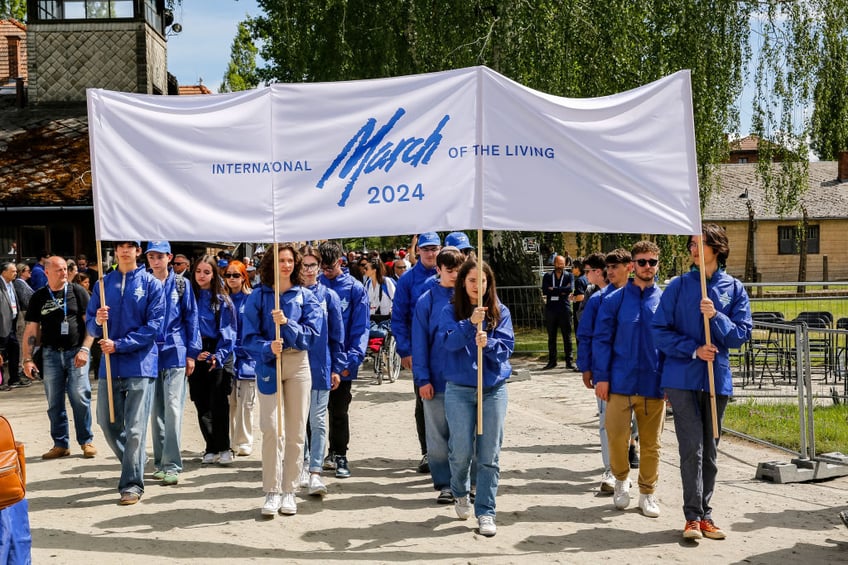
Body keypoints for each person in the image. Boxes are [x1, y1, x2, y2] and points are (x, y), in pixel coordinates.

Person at [652, 225, 752, 540]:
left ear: (717, 248)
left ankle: (706, 514)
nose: (694, 248)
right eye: (691, 243)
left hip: (715, 379)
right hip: (682, 378)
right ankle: (692, 517)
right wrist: (693, 349)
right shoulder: (678, 286)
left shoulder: (733, 289)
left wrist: (716, 317)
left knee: (710, 450)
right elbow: (659, 331)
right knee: (691, 447)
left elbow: (741, 335)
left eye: (700, 242)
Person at [243, 244, 321, 516]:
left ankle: (290, 491)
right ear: (271, 264)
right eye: (280, 261)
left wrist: (287, 323)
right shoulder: (258, 296)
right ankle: (271, 491)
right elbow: (247, 338)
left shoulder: (306, 296)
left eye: (290, 260)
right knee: (271, 428)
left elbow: (312, 335)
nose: (286, 265)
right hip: (269, 364)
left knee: (296, 429)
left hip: (298, 363)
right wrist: (267, 347)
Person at [86, 240, 165, 505]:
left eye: (130, 245)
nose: (125, 249)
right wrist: (98, 321)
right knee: (107, 424)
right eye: (120, 245)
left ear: (138, 250)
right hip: (110, 366)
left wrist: (119, 344)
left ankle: (132, 484)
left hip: (140, 365)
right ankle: (135, 462)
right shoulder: (102, 284)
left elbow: (154, 326)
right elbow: (90, 323)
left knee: (135, 430)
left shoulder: (152, 284)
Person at [440, 259, 514, 537]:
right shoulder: (450, 310)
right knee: (460, 452)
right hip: (459, 389)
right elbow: (447, 342)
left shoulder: (500, 311)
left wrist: (490, 342)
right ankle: (460, 492)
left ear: (488, 283)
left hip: (492, 389)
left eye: (481, 281)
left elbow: (506, 349)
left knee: (489, 455)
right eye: (471, 280)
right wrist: (469, 325)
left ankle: (486, 510)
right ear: (463, 283)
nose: (477, 286)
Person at [592, 241, 664, 518]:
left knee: (651, 444)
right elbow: (602, 341)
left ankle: (648, 492)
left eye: (652, 262)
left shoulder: (665, 300)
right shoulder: (614, 300)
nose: (647, 267)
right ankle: (621, 479)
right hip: (619, 383)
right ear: (632, 265)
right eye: (642, 262)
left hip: (653, 383)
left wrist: (668, 380)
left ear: (657, 265)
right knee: (617, 437)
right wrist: (602, 377)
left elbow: (669, 343)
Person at [21, 256, 97, 459]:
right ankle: (60, 444)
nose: (64, 273)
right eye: (59, 270)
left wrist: (85, 350)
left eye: (65, 269)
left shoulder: (77, 291)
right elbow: (31, 329)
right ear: (46, 272)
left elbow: (91, 325)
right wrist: (27, 359)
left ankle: (86, 441)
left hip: (76, 353)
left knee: (80, 397)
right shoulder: (38, 297)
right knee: (54, 402)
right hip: (50, 354)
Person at [412, 246, 465, 504]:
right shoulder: (427, 300)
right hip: (436, 377)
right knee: (437, 436)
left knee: (465, 434)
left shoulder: (471, 297)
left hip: (465, 378)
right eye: (450, 270)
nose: (454, 275)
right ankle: (444, 483)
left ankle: (465, 482)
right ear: (439, 270)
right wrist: (422, 379)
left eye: (458, 270)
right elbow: (419, 342)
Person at [146, 241, 200, 485]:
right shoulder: (143, 284)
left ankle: (173, 464)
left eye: (160, 256)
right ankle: (159, 462)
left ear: (169, 257)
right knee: (156, 411)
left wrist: (192, 353)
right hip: (149, 354)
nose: (156, 261)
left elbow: (192, 317)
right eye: (151, 256)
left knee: (173, 409)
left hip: (176, 351)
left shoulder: (182, 283)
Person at [318, 241, 369, 479]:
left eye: (330, 266)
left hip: (342, 359)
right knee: (312, 411)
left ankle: (339, 453)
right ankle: (313, 456)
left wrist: (352, 360)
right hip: (316, 358)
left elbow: (361, 327)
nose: (326, 271)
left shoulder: (354, 288)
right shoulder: (312, 286)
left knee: (339, 409)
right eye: (322, 266)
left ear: (341, 261)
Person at [392, 231, 441, 473]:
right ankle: (428, 452)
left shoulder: (450, 275)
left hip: (446, 350)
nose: (431, 253)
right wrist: (405, 350)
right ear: (418, 251)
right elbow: (398, 318)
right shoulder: (407, 279)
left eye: (434, 248)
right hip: (420, 351)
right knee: (424, 400)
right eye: (426, 249)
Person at [298, 245, 344, 497]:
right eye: (303, 265)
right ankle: (302, 465)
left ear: (319, 267)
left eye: (312, 265)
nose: (307, 270)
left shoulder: (329, 296)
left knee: (317, 420)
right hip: (294, 366)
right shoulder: (288, 293)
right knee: (297, 422)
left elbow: (337, 337)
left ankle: (316, 471)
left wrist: (337, 366)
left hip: (321, 366)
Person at [188, 255, 237, 466]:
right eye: (198, 271)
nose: (202, 276)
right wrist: (192, 351)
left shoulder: (223, 300)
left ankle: (224, 446)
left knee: (219, 401)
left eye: (207, 272)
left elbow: (229, 331)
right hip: (195, 352)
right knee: (200, 401)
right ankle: (210, 446)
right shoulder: (188, 297)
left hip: (218, 351)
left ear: (214, 274)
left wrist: (219, 354)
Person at [575, 252, 615, 492]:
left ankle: (631, 449)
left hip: (635, 373)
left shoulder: (637, 295)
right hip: (604, 371)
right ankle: (611, 470)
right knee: (606, 422)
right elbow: (586, 333)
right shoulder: (596, 298)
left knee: (635, 423)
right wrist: (587, 366)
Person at [223, 259, 258, 457]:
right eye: (228, 275)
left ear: (244, 276)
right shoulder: (222, 299)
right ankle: (230, 440)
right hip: (228, 356)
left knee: (246, 402)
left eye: (236, 275)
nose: (232, 279)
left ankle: (244, 441)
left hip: (249, 357)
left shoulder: (252, 298)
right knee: (229, 402)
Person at [541, 254, 574, 370]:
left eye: (562, 264)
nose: (560, 266)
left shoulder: (569, 276)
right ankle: (552, 361)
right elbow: (545, 290)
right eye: (558, 263)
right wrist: (561, 291)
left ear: (565, 264)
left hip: (564, 308)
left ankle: (569, 361)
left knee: (567, 336)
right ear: (554, 264)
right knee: (551, 336)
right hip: (551, 309)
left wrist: (554, 289)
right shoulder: (548, 276)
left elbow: (570, 289)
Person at [0, 262, 31, 388]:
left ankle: (14, 378)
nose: (15, 273)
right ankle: (1, 381)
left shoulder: (11, 283)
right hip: (2, 324)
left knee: (14, 349)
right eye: (13, 271)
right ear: (4, 272)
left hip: (12, 323)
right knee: (1, 353)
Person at [363, 256, 395, 337]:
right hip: (371, 319)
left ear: (374, 270)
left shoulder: (386, 282)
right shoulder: (368, 283)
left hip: (386, 319)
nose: (364, 270)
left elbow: (396, 300)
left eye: (366, 268)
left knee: (381, 334)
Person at [570, 259, 588, 343]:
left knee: (579, 337)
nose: (571, 269)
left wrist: (572, 298)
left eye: (573, 267)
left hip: (579, 312)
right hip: (586, 311)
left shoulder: (579, 280)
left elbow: (581, 297)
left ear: (578, 268)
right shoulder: (586, 278)